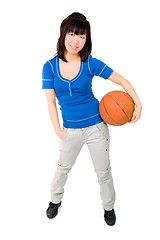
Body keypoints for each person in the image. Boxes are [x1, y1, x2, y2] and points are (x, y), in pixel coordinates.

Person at [42, 12, 142, 226]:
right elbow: (50, 102)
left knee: (103, 171)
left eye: (82, 36)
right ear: (63, 35)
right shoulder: (49, 67)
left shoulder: (90, 63)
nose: (76, 40)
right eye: (72, 34)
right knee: (62, 168)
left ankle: (109, 207)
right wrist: (58, 130)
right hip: (70, 130)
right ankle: (54, 201)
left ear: (87, 39)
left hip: (97, 126)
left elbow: (122, 80)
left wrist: (138, 104)